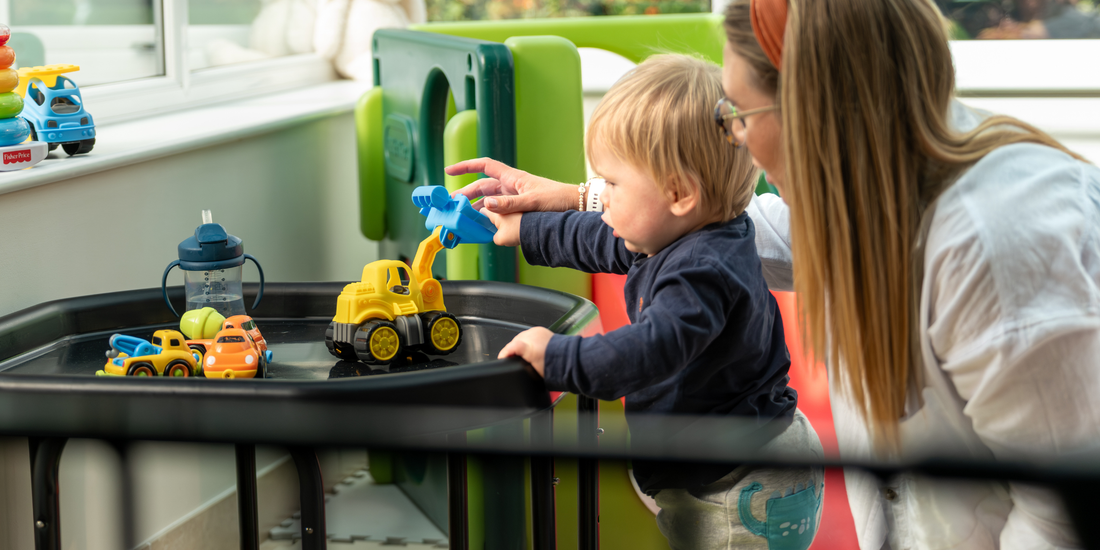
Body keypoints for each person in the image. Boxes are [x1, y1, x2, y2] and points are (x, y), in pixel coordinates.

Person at [449, 0, 1100, 547]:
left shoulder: (1001, 250)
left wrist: (562, 356)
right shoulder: (876, 181)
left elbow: (1059, 518)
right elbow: (708, 232)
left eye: (735, 114)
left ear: (818, 112)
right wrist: (577, 200)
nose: (730, 137)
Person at [450, 53, 825, 550]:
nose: (600, 197)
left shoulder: (702, 272)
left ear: (679, 194)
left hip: (742, 491)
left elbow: (649, 351)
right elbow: (597, 237)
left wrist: (555, 357)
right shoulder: (686, 233)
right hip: (731, 464)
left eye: (611, 184)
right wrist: (527, 228)